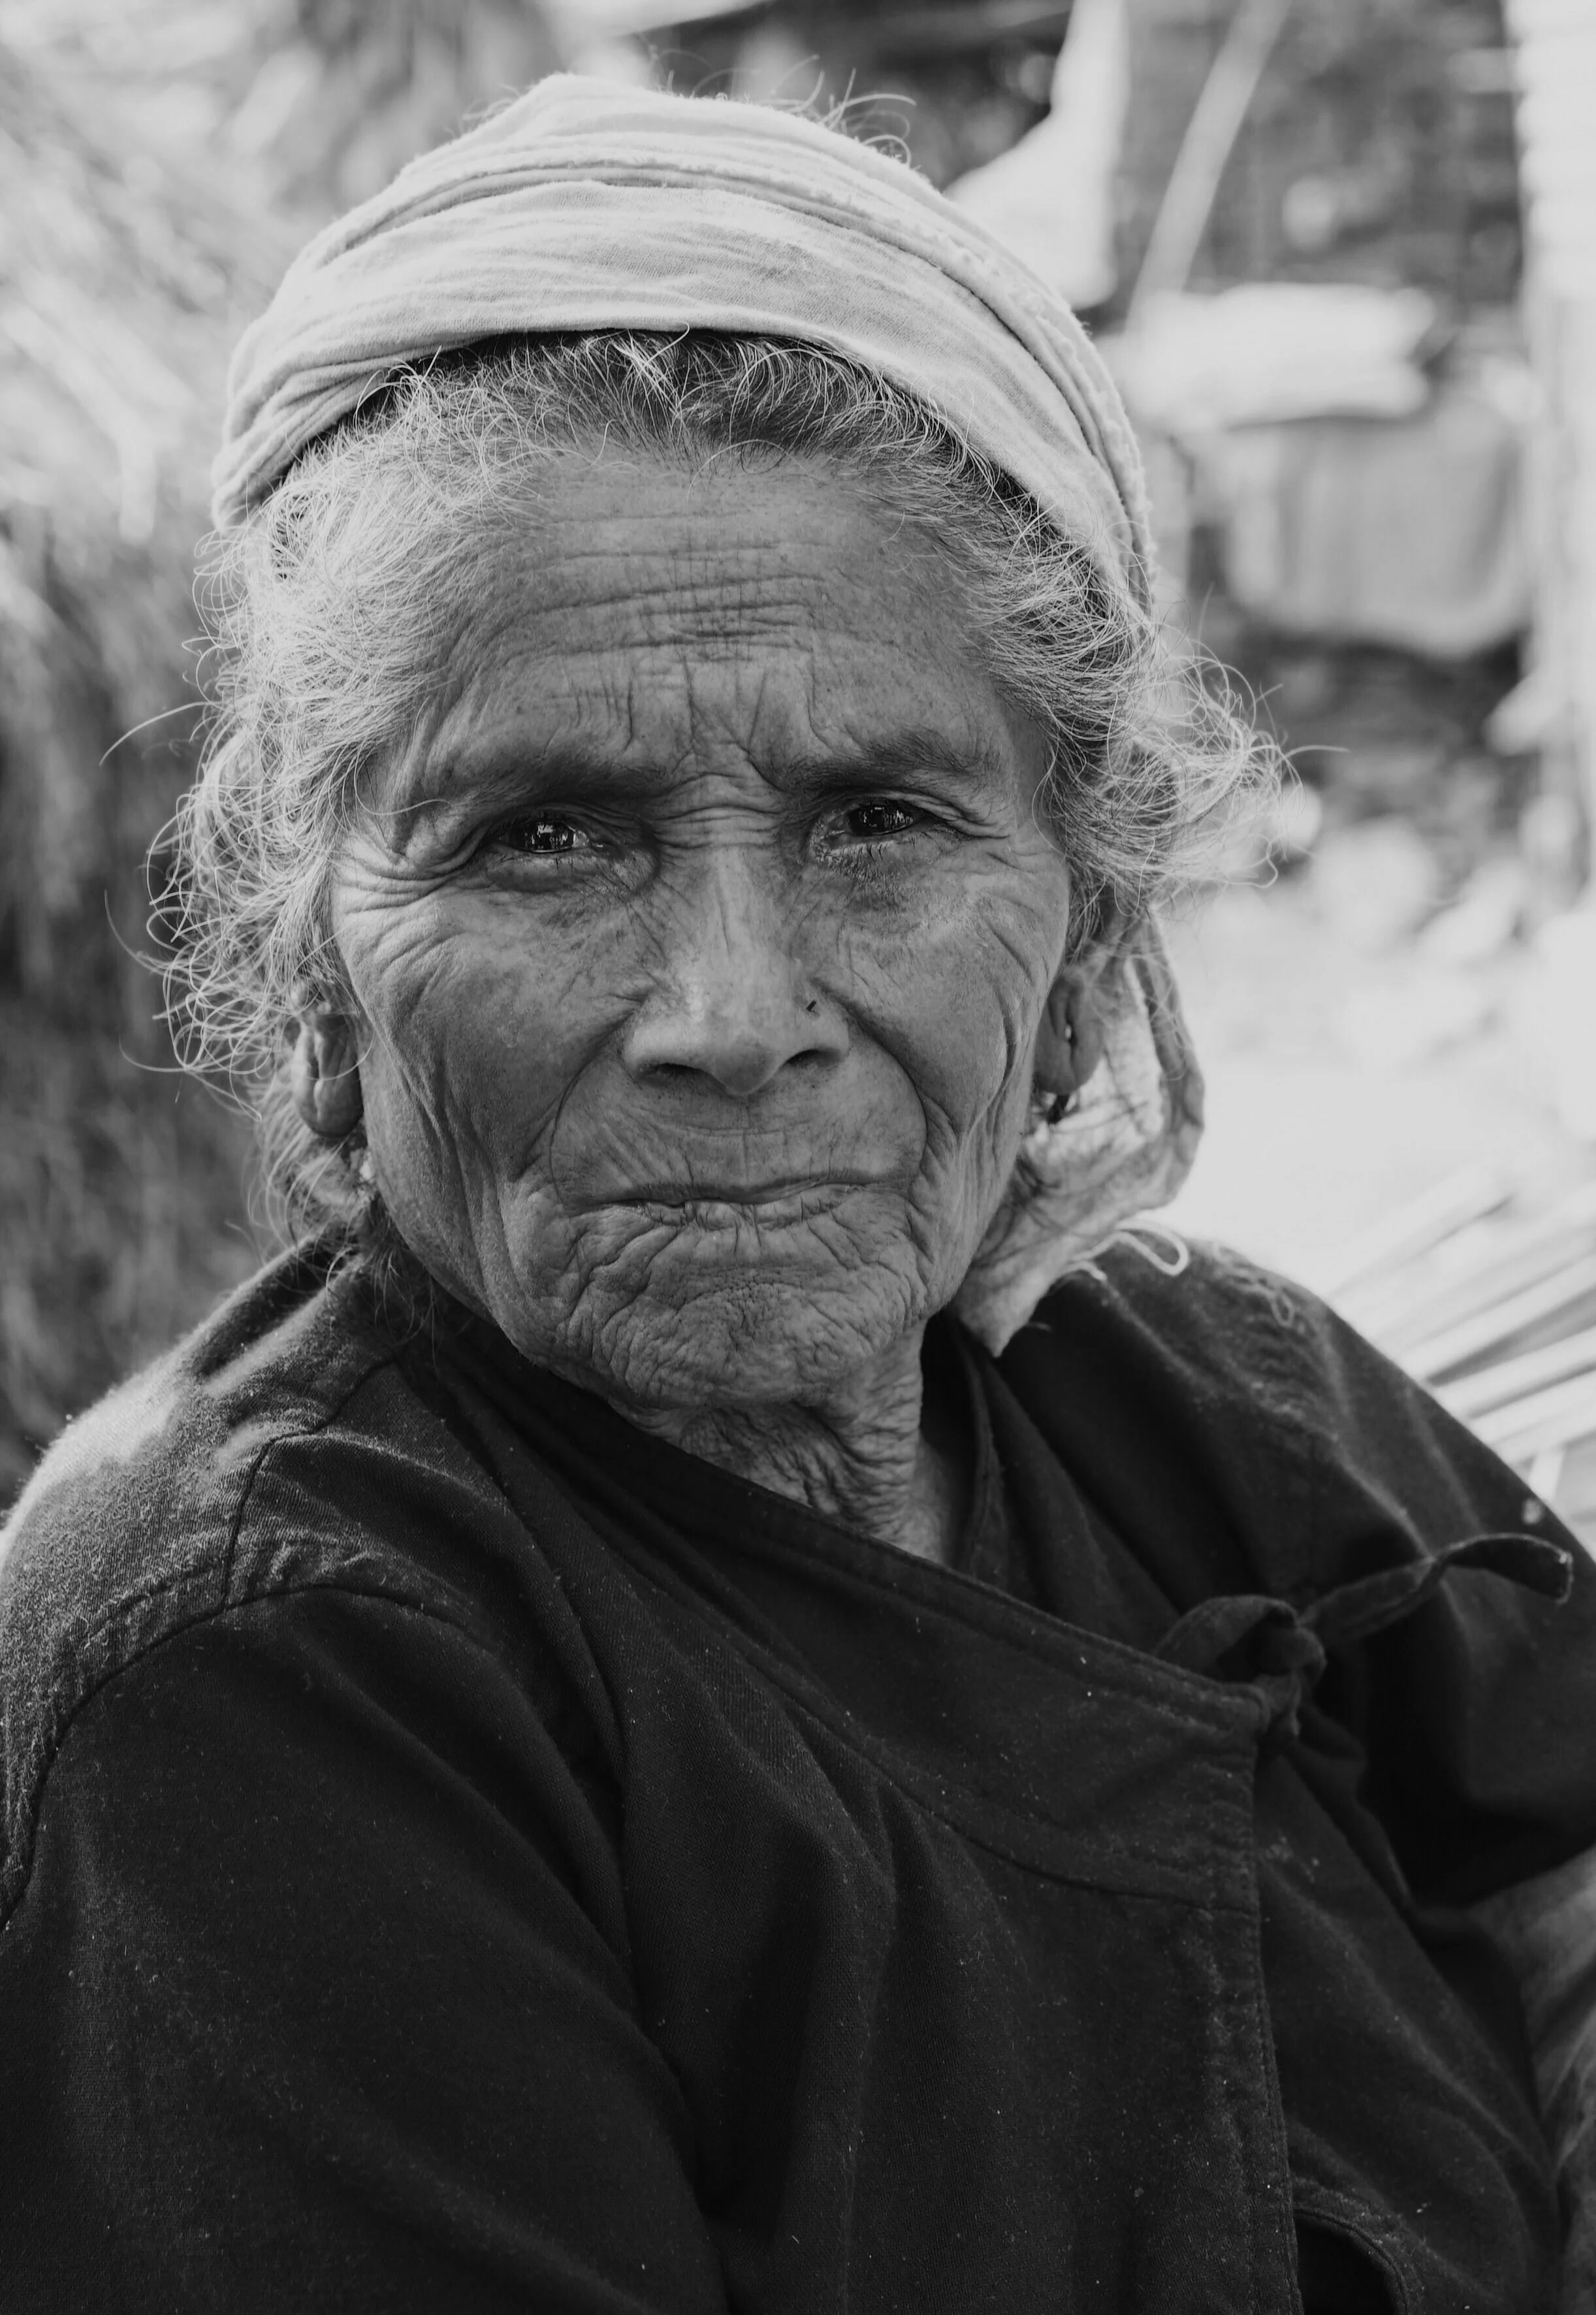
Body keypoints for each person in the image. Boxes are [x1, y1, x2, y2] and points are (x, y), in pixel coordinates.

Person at [0, 76, 1591, 2314]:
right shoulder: (265, 1658)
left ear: (1088, 936)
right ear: (316, 972)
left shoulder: (1209, 1399)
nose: (730, 1013)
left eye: (881, 826)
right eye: (543, 835)